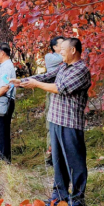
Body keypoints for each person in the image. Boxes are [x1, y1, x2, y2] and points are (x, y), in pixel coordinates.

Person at [12, 37, 91, 206]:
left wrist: (36, 84)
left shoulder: (81, 70)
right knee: (58, 162)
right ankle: (59, 196)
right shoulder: (64, 66)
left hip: (70, 123)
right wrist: (23, 81)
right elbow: (46, 76)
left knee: (75, 163)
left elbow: (60, 88)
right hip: (55, 120)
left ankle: (77, 201)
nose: (60, 52)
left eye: (63, 49)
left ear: (73, 50)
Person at [44, 36, 65, 165]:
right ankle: (50, 155)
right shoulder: (50, 57)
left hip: (63, 93)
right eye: (62, 44)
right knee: (51, 123)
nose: (64, 46)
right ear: (55, 47)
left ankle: (60, 154)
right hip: (52, 92)